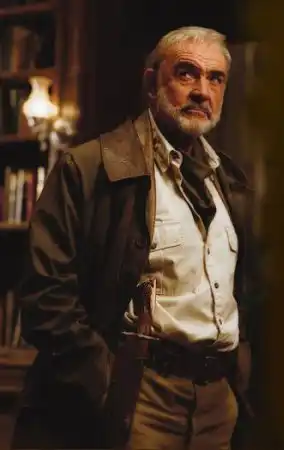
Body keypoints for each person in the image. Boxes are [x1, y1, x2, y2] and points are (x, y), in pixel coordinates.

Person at [10, 26, 259, 450]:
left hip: (218, 403)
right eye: (186, 73)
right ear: (151, 82)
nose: (202, 91)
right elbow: (45, 295)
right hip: (139, 396)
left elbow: (248, 293)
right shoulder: (89, 167)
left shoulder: (229, 181)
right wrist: (107, 382)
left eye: (215, 79)